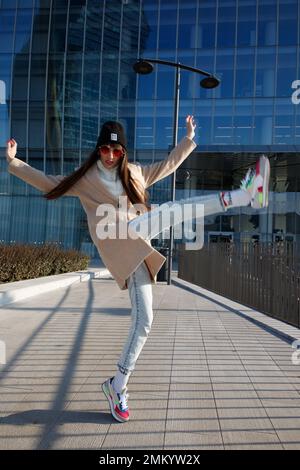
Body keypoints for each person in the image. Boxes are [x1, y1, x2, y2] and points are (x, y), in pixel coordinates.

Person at [6, 116, 270, 423]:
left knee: (145, 320)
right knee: (171, 211)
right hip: (118, 244)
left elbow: (168, 165)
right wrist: (14, 163)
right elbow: (51, 183)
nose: (110, 156)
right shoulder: (87, 178)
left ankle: (117, 384)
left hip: (137, 246)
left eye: (116, 151)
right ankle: (245, 194)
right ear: (98, 150)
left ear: (123, 153)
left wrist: (188, 138)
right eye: (105, 149)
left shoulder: (136, 173)